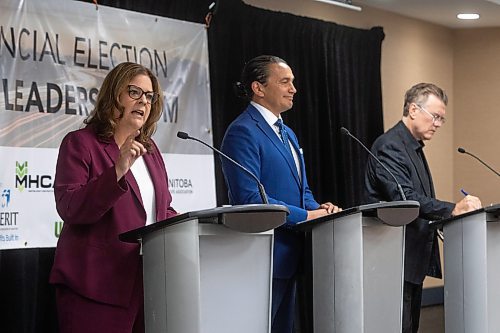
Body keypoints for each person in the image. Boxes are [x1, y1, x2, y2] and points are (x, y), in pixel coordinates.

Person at [50, 62, 177, 333]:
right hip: (95, 285)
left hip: (146, 283)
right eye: (134, 92)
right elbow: (70, 207)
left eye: (149, 96)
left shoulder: (150, 150)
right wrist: (118, 169)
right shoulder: (81, 143)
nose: (143, 100)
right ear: (114, 95)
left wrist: (198, 227)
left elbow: (161, 210)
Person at [220, 55, 341, 333]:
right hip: (263, 256)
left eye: (293, 82)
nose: (293, 89)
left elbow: (302, 189)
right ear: (258, 88)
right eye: (285, 82)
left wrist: (321, 209)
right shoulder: (242, 131)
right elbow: (249, 199)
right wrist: (306, 215)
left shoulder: (288, 133)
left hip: (291, 257)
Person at [364, 82, 482, 333]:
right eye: (435, 116)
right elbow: (404, 198)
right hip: (393, 256)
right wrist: (452, 209)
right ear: (414, 109)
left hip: (410, 258)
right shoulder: (391, 146)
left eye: (442, 119)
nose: (438, 124)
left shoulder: (412, 146)